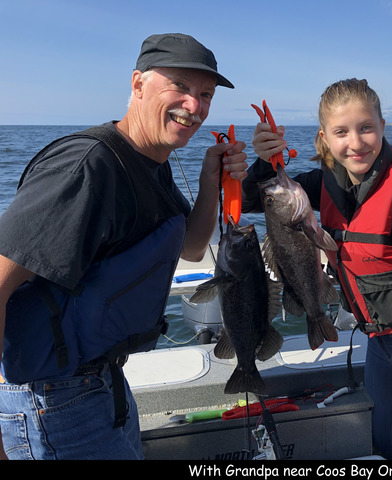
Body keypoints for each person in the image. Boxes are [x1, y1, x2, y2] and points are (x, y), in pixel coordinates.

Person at [0, 33, 248, 460]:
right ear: (138, 84)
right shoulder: (87, 167)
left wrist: (211, 180)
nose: (195, 105)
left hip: (102, 383)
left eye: (206, 94)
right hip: (52, 401)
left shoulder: (152, 161)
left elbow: (192, 248)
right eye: (180, 86)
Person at [242, 78, 392, 460]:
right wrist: (264, 161)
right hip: (377, 342)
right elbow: (254, 200)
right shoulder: (321, 185)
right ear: (324, 139)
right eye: (341, 132)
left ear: (382, 126)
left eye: (366, 128)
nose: (356, 143)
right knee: (382, 443)